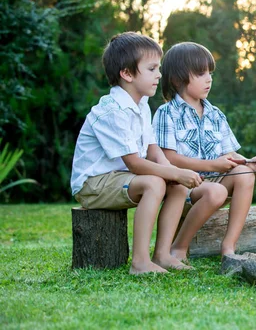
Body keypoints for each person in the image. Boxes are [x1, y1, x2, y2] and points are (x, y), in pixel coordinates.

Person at [70, 32, 203, 275]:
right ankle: (140, 262)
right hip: (94, 184)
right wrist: (172, 172)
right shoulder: (112, 111)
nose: (159, 75)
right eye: (152, 68)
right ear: (127, 73)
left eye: (159, 68)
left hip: (121, 178)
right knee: (154, 184)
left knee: (176, 185)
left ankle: (162, 254)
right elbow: (134, 164)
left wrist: (175, 174)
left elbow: (152, 149)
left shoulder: (141, 104)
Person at [152, 42, 256, 258]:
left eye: (210, 73)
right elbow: (168, 158)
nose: (209, 79)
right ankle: (178, 248)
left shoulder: (215, 114)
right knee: (215, 191)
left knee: (245, 174)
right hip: (183, 187)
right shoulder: (166, 113)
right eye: (200, 73)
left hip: (215, 184)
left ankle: (228, 248)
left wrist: (249, 161)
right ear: (177, 79)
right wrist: (212, 165)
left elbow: (230, 154)